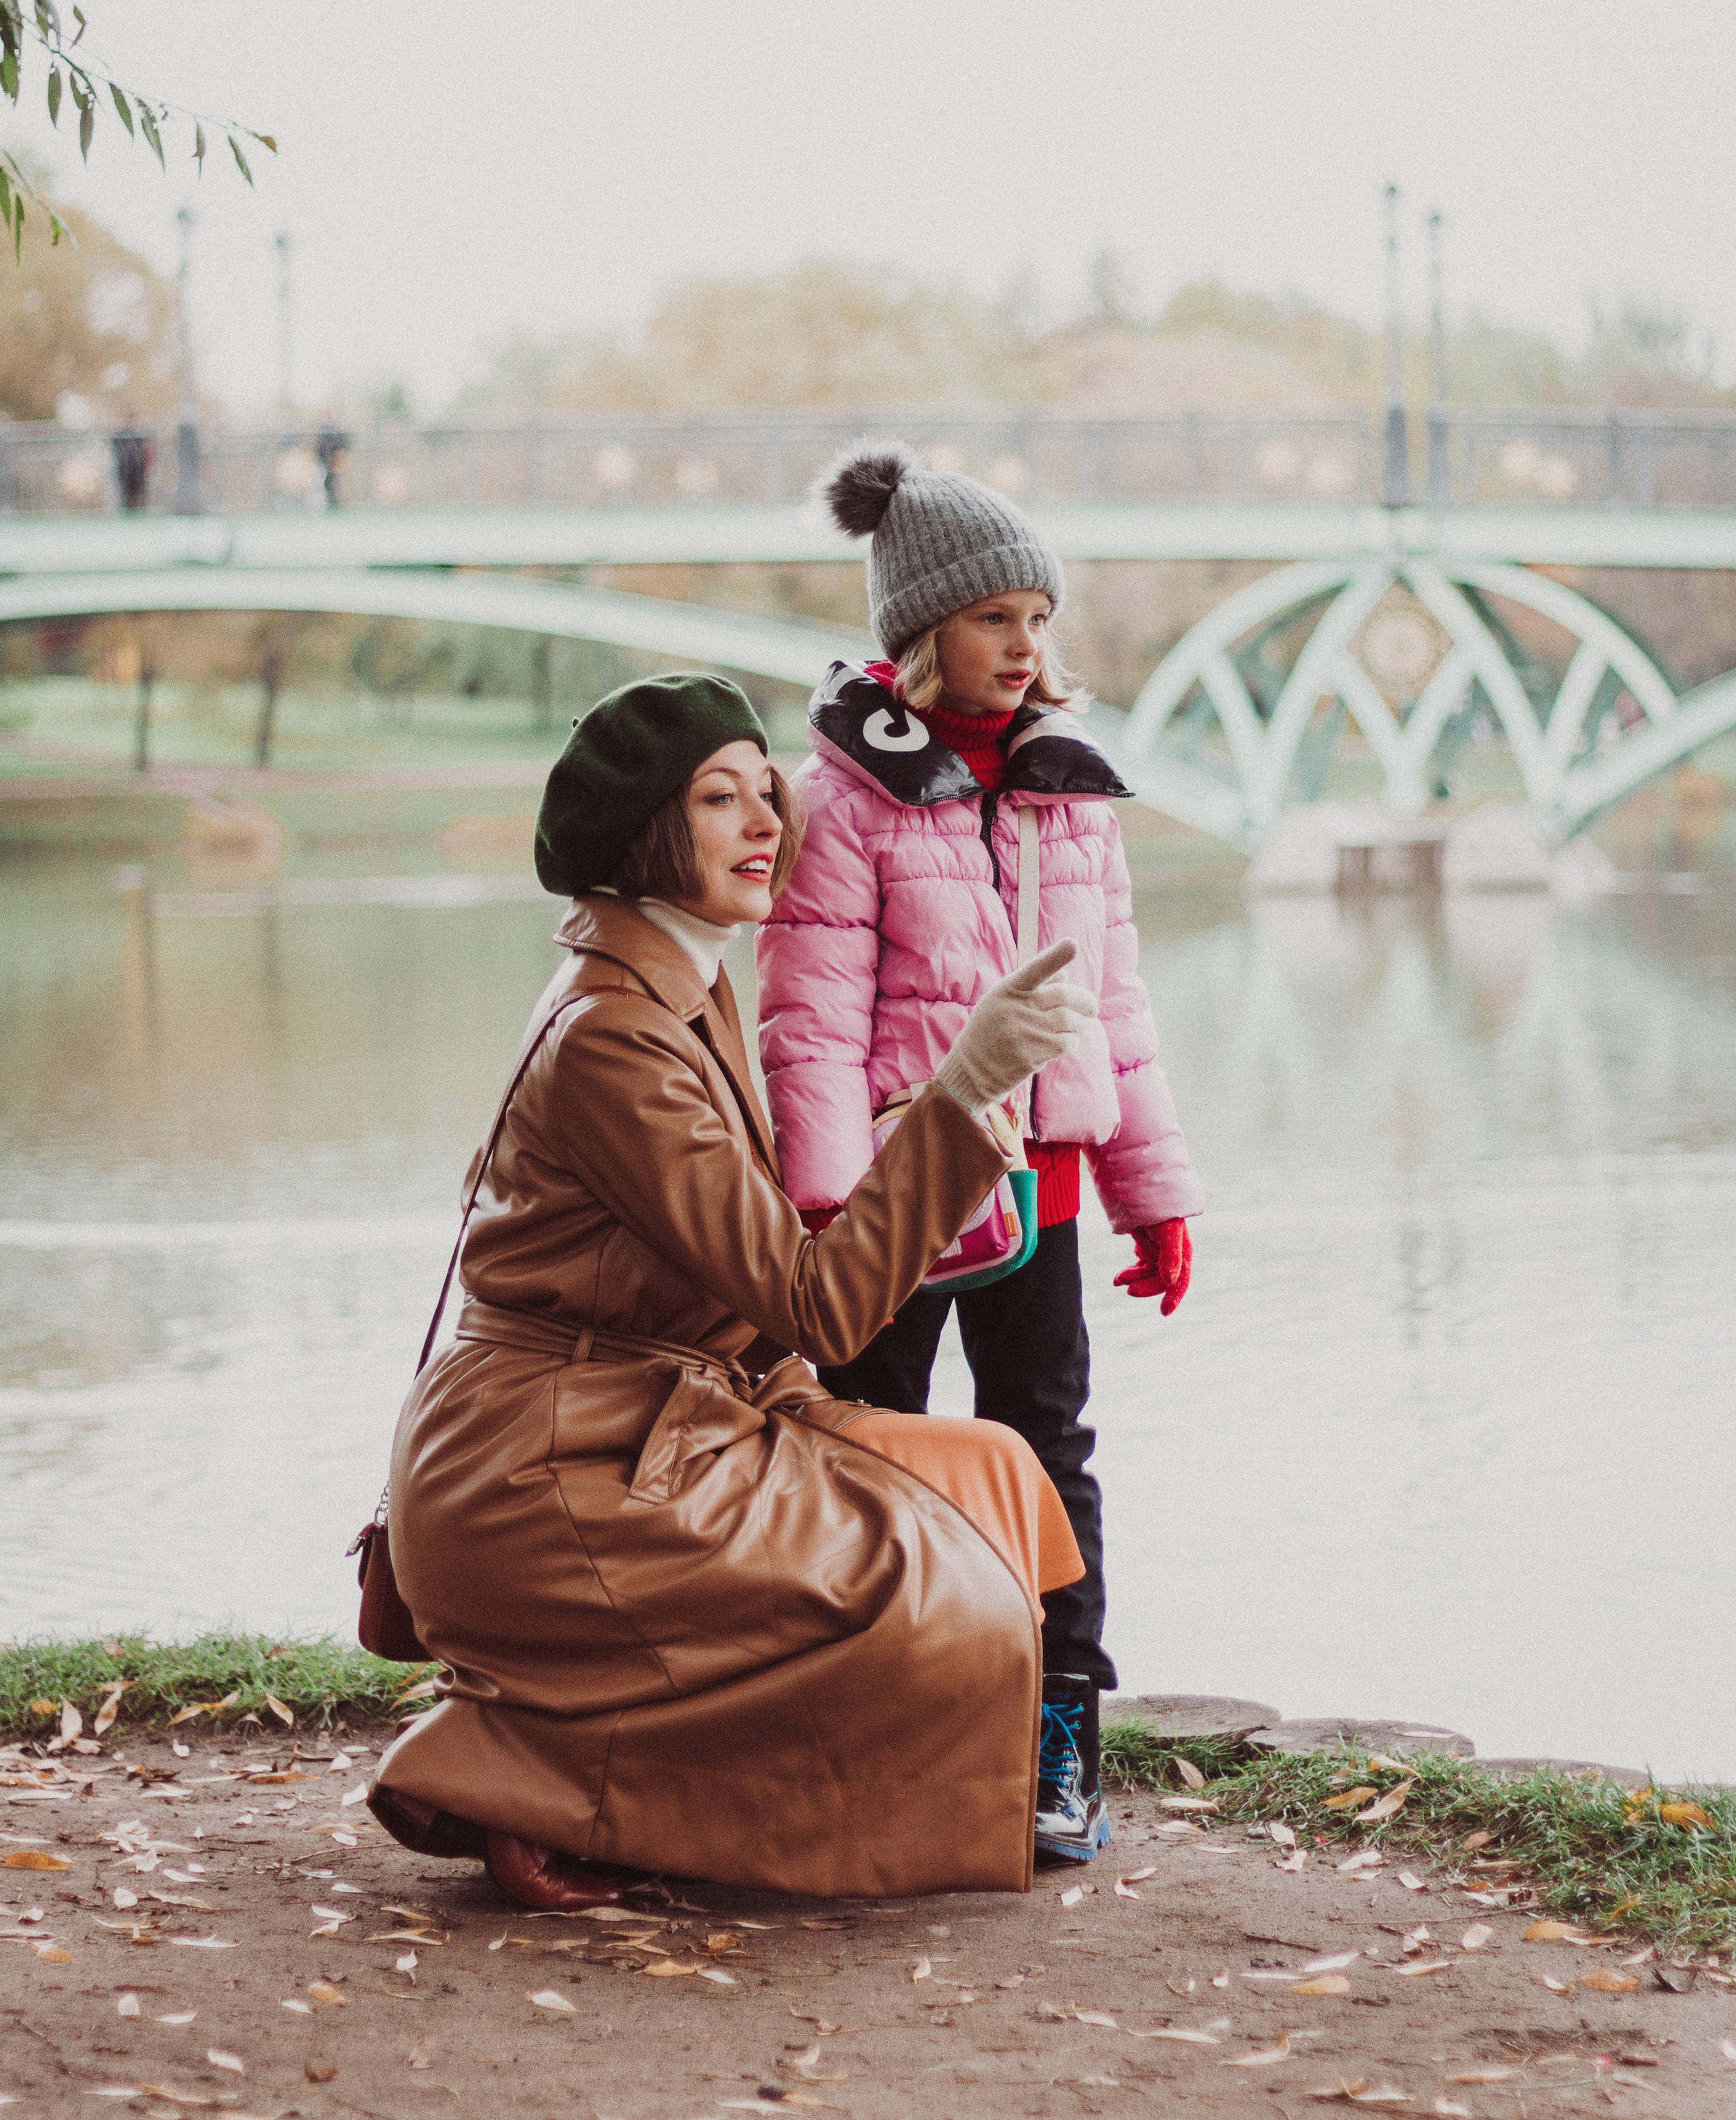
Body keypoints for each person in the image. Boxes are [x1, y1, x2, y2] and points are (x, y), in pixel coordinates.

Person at [368, 669, 1095, 1908]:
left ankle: (1023, 1769)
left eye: (768, 789)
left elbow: (755, 1267)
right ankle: (520, 1773)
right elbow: (814, 1306)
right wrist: (964, 1092)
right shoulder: (614, 1036)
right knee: (928, 1592)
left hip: (629, 1434)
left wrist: (933, 1112)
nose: (769, 820)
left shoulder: (679, 984)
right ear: (643, 829)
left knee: (993, 1476)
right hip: (550, 1479)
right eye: (721, 797)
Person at [756, 444, 1205, 1864]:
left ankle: (1057, 1731)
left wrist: (1150, 1195)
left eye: (1038, 618)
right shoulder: (843, 800)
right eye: (995, 617)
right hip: (894, 1200)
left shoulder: (1069, 791)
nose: (1024, 644)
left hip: (1040, 1192)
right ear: (919, 631)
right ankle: (869, 1718)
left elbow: (1112, 1010)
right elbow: (811, 1021)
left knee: (1044, 1449)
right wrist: (831, 1204)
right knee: (869, 1451)